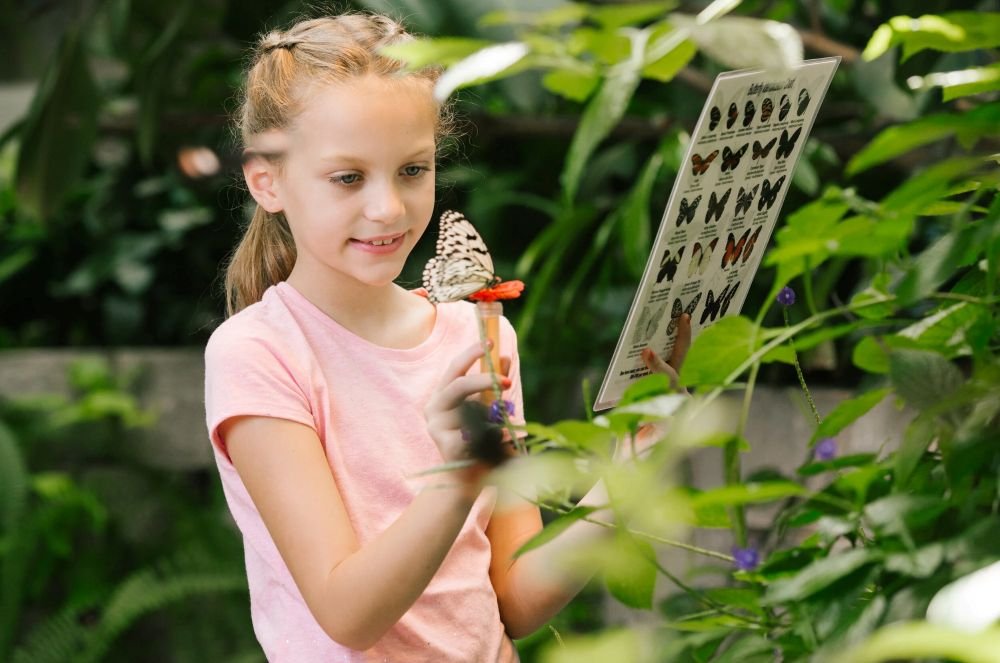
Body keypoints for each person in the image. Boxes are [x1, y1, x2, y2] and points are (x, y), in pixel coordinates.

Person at [204, 12, 691, 662]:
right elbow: (346, 612)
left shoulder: (479, 334)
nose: (389, 207)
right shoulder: (260, 353)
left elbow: (514, 597)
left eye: (412, 169)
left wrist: (622, 477)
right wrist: (457, 477)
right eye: (348, 177)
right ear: (267, 180)